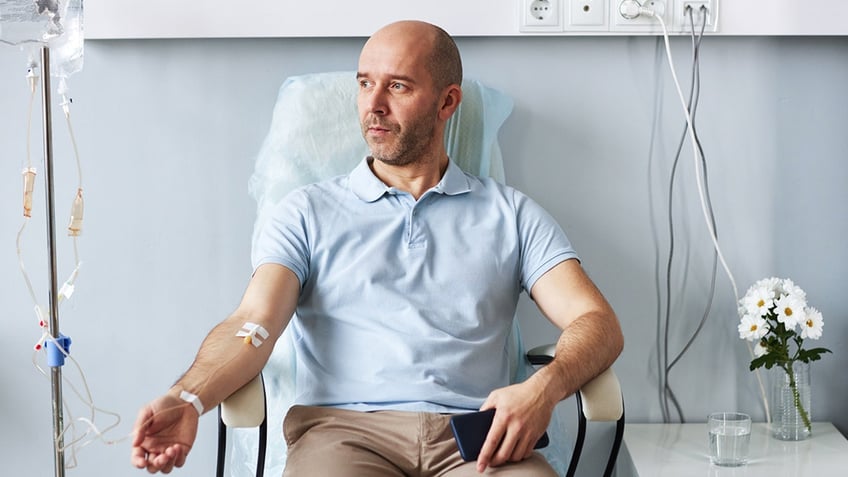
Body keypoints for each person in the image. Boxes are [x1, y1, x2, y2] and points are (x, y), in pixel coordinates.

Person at [131, 20, 623, 476]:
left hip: (477, 441)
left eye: (398, 86)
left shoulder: (511, 215)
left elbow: (597, 323)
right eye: (365, 83)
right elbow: (251, 324)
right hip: (342, 436)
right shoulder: (307, 212)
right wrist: (188, 398)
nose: (374, 105)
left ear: (447, 102)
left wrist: (544, 387)